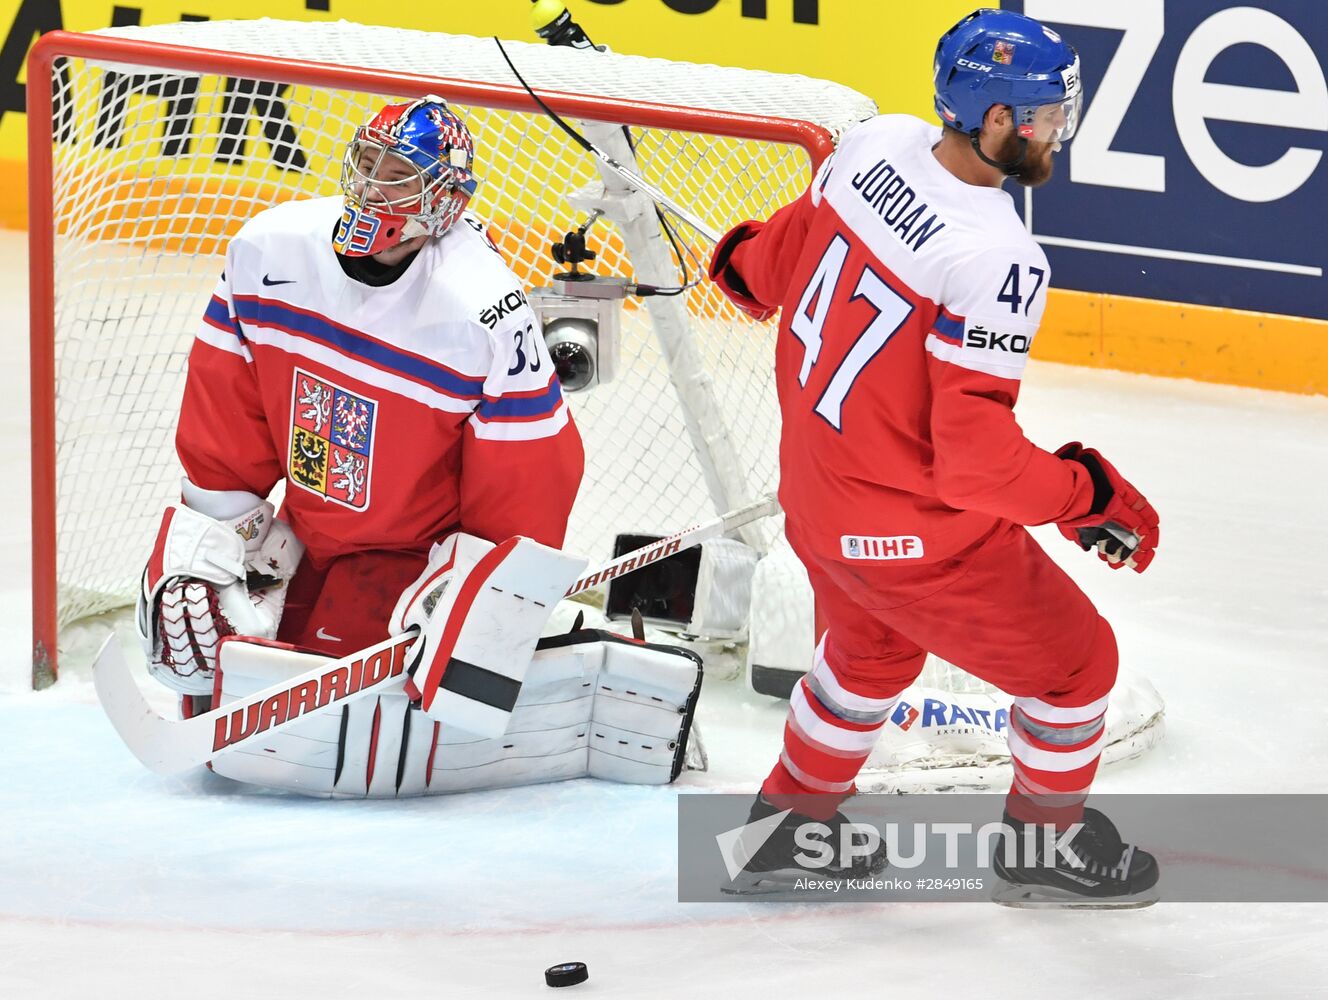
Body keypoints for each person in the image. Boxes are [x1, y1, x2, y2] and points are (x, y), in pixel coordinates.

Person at [709, 9, 1160, 906]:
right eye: (1044, 118)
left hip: (817, 504)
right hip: (915, 536)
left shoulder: (874, 144)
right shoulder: (996, 254)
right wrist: (1084, 494)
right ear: (997, 121)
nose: (1054, 135)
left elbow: (765, 265)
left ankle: (786, 826)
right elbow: (977, 468)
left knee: (870, 650)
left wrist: (739, 261)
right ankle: (1044, 847)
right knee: (1078, 670)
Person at [129, 98, 700, 798]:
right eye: (366, 162)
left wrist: (480, 606)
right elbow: (225, 423)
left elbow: (529, 482)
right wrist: (215, 546)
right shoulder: (267, 251)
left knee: (383, 719)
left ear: (446, 200)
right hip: (308, 536)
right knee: (215, 674)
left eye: (399, 173)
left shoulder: (481, 308)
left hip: (413, 559)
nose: (371, 185)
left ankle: (564, 649)